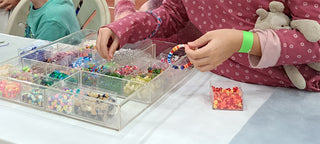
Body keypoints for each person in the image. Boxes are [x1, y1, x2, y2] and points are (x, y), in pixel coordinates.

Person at [96, 0, 320, 92]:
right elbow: (174, 13)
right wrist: (125, 27)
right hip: (213, 83)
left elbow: (315, 42)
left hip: (288, 88)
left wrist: (241, 41)